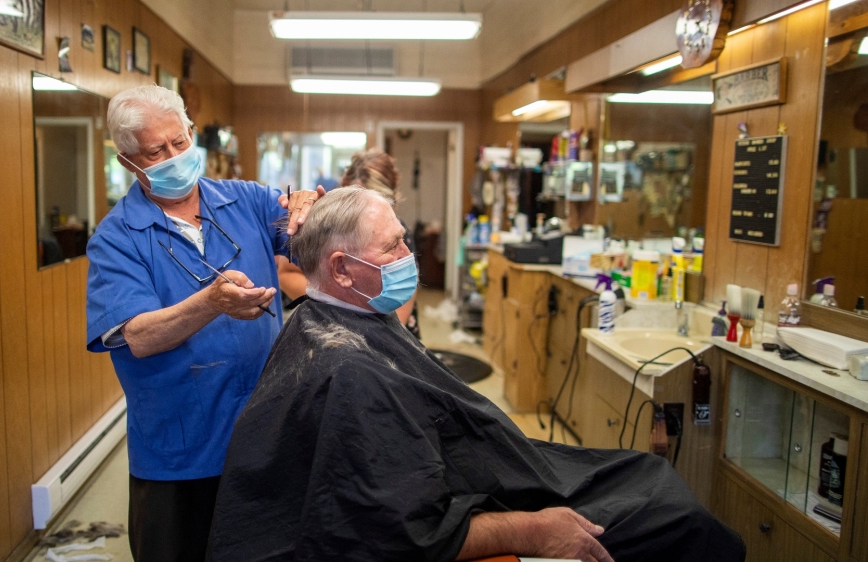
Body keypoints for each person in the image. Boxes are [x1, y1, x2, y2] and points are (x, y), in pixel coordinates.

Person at [208, 186, 746, 562]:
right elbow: (402, 533)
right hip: (457, 502)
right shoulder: (350, 372)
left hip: (453, 469)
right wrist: (534, 528)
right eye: (393, 245)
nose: (409, 256)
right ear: (343, 269)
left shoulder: (332, 319)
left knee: (643, 476)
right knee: (681, 522)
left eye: (405, 240)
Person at [84, 85, 319, 562]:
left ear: (192, 133)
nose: (174, 156)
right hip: (180, 449)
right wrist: (211, 302)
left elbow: (311, 242)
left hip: (261, 435)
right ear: (129, 161)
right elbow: (138, 336)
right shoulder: (116, 238)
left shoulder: (246, 201)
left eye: (180, 142)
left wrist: (313, 211)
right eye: (156, 151)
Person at [340, 148, 420, 338]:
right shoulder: (334, 234)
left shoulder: (400, 236)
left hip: (391, 337)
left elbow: (402, 307)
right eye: (359, 204)